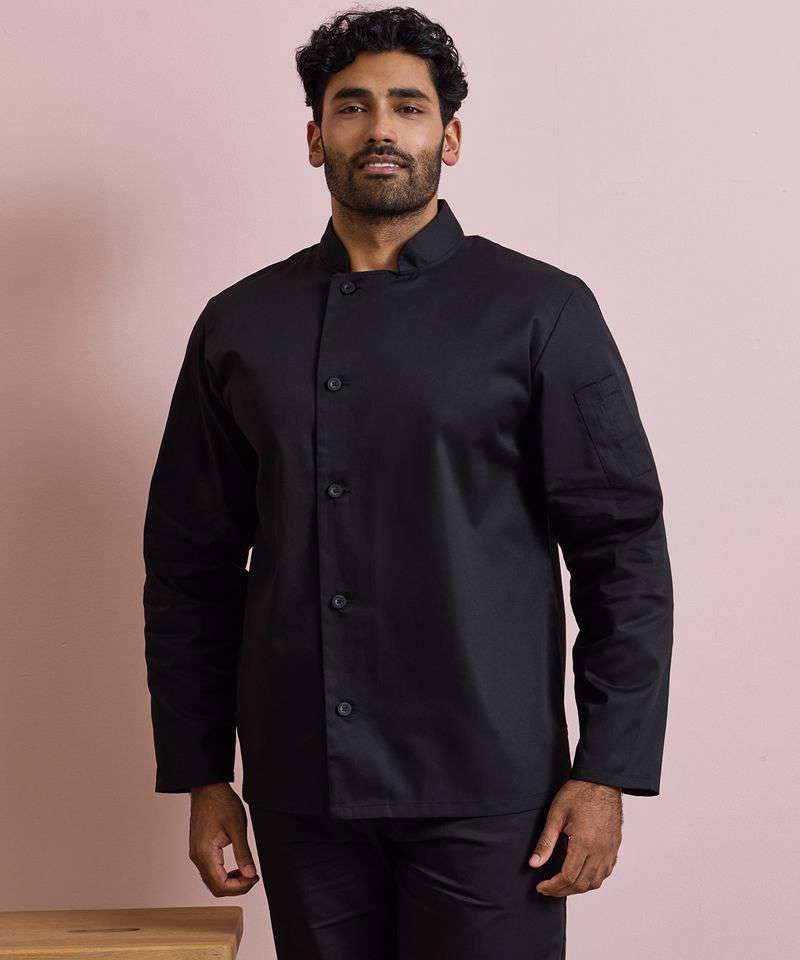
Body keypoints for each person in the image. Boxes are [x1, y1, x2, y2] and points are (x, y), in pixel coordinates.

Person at [142, 6, 674, 958]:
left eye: (408, 106)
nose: (380, 128)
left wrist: (606, 771)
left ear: (449, 138)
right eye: (352, 107)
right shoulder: (238, 324)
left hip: (493, 791)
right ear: (316, 138)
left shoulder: (542, 310)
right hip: (302, 786)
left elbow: (621, 550)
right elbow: (191, 567)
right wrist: (203, 771)